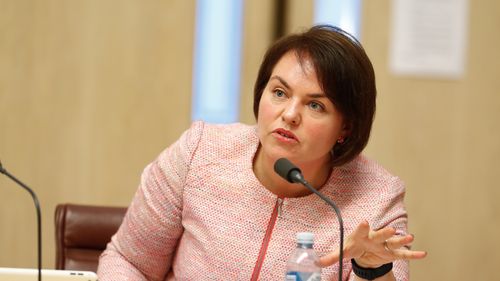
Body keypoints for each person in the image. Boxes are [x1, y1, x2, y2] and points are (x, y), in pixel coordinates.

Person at [97, 25, 426, 280]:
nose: (290, 114)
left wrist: (372, 271)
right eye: (280, 92)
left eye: (315, 104)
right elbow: (129, 262)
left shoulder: (376, 200)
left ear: (346, 128)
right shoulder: (200, 152)